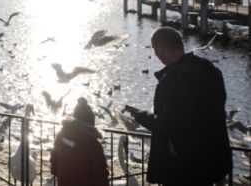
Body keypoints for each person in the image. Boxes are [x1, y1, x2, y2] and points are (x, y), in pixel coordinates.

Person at [124, 27, 232, 186]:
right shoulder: (210, 69)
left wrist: (140, 116)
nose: (156, 54)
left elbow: (170, 124)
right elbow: (217, 105)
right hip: (214, 159)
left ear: (160, 48)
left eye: (155, 49)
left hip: (185, 167)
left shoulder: (175, 80)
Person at [50, 97, 108, 186]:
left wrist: (57, 172)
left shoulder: (62, 134)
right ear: (91, 122)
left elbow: (54, 156)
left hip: (64, 181)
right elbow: (100, 174)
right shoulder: (92, 144)